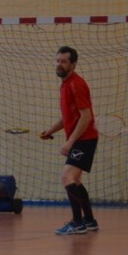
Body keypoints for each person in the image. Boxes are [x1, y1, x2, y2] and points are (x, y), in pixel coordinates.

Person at [40, 45, 99, 235]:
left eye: (64, 61)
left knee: (67, 177)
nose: (59, 64)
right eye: (57, 60)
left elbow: (86, 116)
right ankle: (89, 220)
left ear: (73, 65)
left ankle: (77, 223)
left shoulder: (76, 84)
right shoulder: (65, 84)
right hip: (81, 139)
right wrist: (50, 130)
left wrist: (70, 141)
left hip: (84, 139)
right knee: (76, 180)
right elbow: (68, 117)